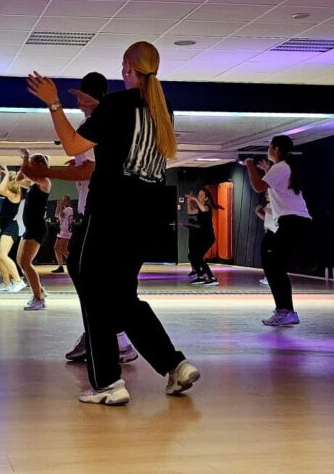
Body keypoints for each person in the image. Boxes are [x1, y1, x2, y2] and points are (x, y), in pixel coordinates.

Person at [25, 41, 199, 406]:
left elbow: (73, 145)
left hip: (110, 211)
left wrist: (53, 102)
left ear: (127, 68)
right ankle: (174, 364)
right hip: (146, 216)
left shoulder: (119, 104)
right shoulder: (163, 108)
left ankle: (107, 382)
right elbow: (121, 135)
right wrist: (96, 109)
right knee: (120, 296)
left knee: (91, 286)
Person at [37, 72, 136, 365]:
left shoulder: (98, 123)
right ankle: (111, 338)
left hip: (102, 213)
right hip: (105, 213)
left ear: (88, 97)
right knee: (97, 278)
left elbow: (89, 169)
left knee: (88, 275)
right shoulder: (109, 122)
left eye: (80, 96)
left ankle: (107, 338)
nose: (78, 102)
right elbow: (90, 163)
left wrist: (47, 172)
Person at [244, 135, 312, 327]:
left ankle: (286, 311)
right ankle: (285, 310)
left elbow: (258, 187)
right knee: (272, 261)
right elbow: (273, 187)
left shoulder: (281, 167)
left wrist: (249, 164)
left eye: (270, 146)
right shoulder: (282, 167)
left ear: (276, 149)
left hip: (293, 222)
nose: (268, 149)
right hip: (291, 222)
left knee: (273, 264)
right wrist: (266, 170)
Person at [18, 151, 51, 311]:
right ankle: (40, 291)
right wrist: (25, 162)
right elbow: (19, 179)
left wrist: (26, 158)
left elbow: (28, 173)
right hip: (30, 227)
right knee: (21, 262)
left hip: (37, 227)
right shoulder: (32, 184)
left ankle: (39, 299)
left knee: (26, 263)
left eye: (33, 164)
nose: (30, 167)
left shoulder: (44, 182)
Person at [0, 166, 27, 293]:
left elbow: (1, 188)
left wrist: (6, 174)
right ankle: (6, 283)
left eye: (8, 180)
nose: (6, 183)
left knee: (3, 255)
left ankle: (18, 281)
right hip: (5, 227)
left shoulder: (16, 195)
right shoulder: (9, 194)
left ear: (13, 182)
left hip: (11, 227)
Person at [184, 188, 219, 287]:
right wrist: (188, 200)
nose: (199, 196)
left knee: (198, 257)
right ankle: (200, 276)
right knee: (191, 256)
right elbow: (189, 212)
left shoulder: (207, 207)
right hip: (202, 237)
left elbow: (203, 209)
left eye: (201, 195)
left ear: (206, 198)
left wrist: (194, 199)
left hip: (208, 237)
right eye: (198, 195)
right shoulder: (199, 209)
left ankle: (212, 278)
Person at [53, 196, 73, 274]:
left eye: (64, 200)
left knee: (63, 250)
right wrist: (58, 206)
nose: (62, 202)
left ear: (68, 201)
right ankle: (60, 266)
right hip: (61, 231)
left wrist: (60, 206)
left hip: (65, 232)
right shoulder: (65, 209)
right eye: (62, 200)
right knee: (56, 248)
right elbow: (56, 215)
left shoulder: (69, 209)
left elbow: (61, 215)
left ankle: (74, 262)